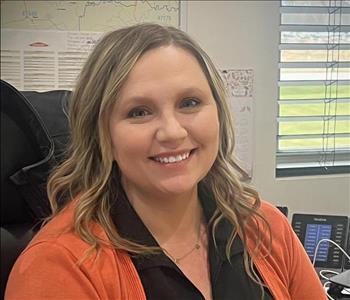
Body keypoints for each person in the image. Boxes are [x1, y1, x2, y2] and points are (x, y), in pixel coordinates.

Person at [5, 23, 326, 300]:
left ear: (218, 114)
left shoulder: (264, 226)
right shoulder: (59, 266)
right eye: (139, 112)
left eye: (189, 102)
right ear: (102, 133)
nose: (172, 132)